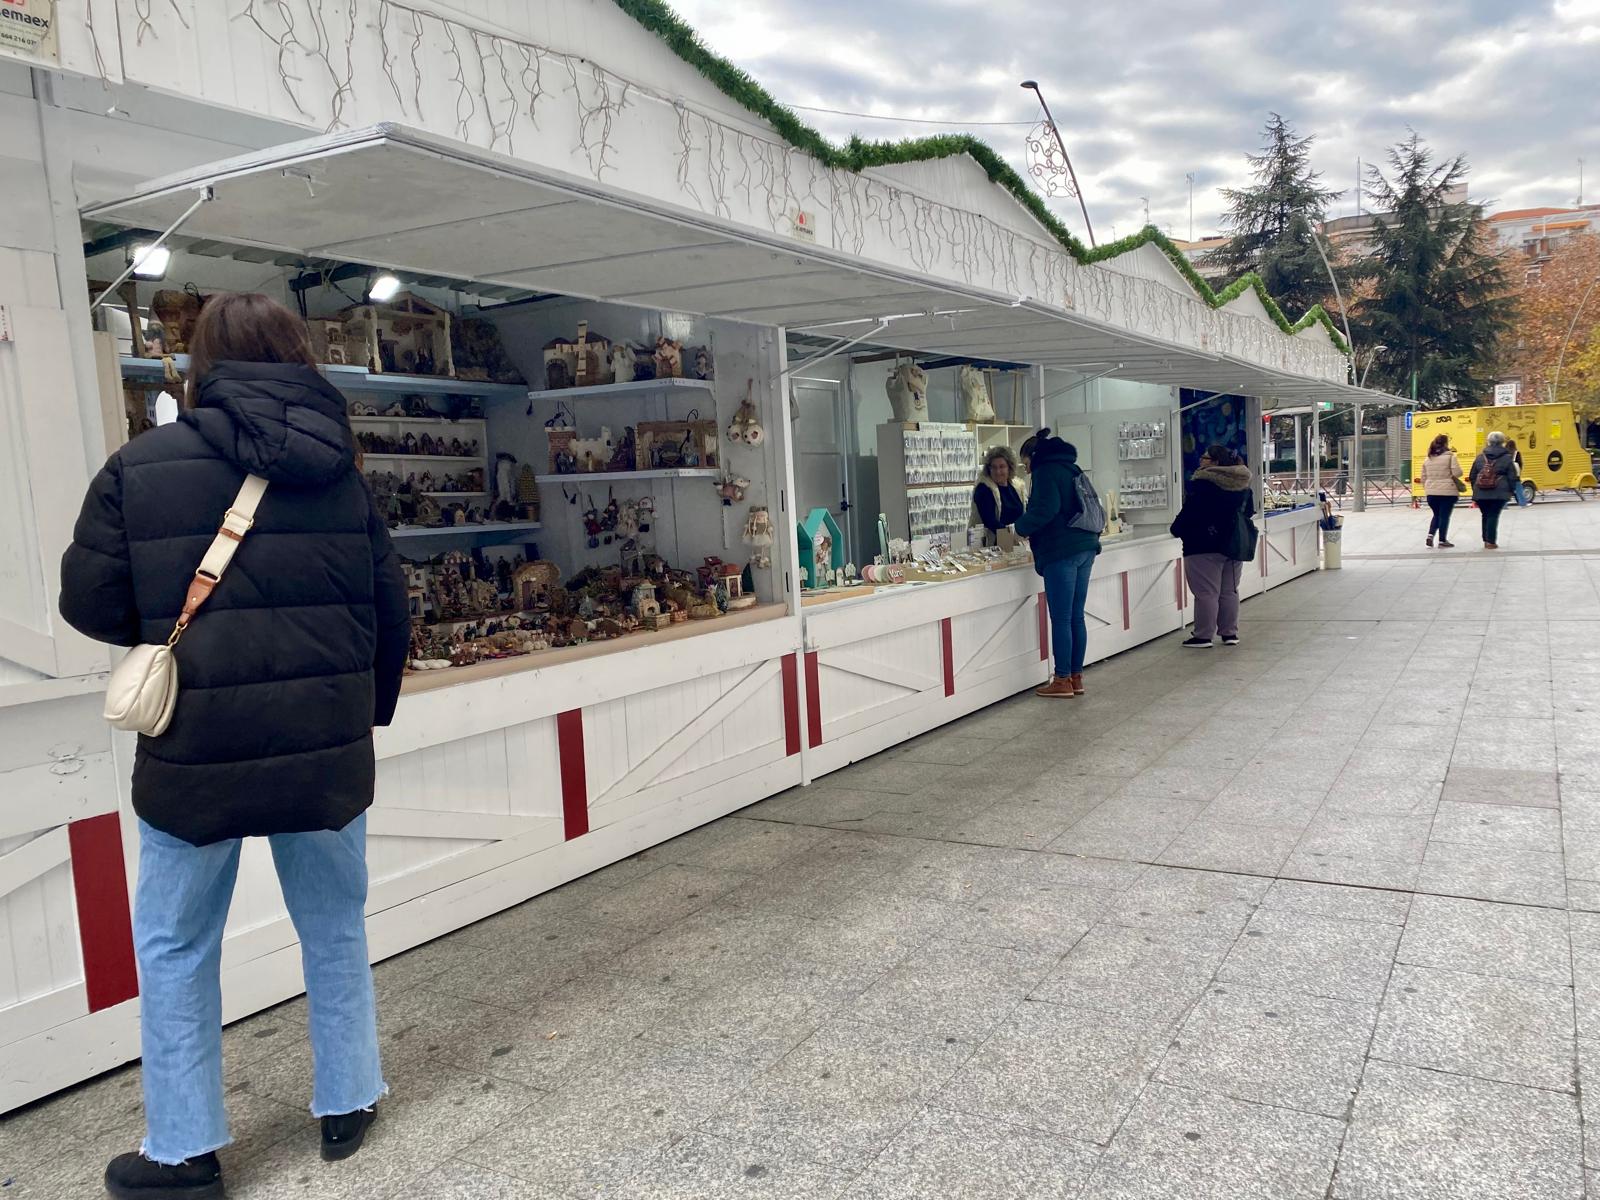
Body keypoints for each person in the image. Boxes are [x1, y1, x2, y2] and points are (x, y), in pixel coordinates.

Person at [58, 294, 410, 1199]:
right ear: (299, 356)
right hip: (324, 751)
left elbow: (88, 604)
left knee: (177, 945)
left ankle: (184, 1151)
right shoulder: (341, 476)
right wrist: (362, 714)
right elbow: (389, 610)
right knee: (333, 925)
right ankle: (347, 1101)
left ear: (199, 363)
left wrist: (162, 621)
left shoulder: (139, 468)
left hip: (194, 748)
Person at [1015, 429, 1101, 697]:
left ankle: (1062, 680)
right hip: (1086, 545)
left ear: (1034, 456)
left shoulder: (1045, 472)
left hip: (1061, 549)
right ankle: (1076, 677)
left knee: (1061, 617)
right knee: (1076, 615)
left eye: (1025, 461)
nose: (1025, 468)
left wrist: (1019, 527)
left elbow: (1045, 509)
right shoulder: (1072, 468)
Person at [1170, 444, 1255, 648]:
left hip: (1202, 546)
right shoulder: (1242, 486)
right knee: (1229, 591)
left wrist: (1177, 529)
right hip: (1234, 545)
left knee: (1206, 593)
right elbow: (1249, 512)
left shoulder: (1203, 486)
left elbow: (1189, 516)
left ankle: (1203, 636)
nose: (1201, 461)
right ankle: (1229, 633)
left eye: (1205, 458)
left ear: (1215, 463)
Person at [1469, 430, 1520, 549]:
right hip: (1499, 492)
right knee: (1493, 515)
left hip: (1480, 492)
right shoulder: (1507, 458)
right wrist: (1511, 491)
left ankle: (1486, 539)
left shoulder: (1480, 457)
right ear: (1502, 442)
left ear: (1488, 442)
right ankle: (1490, 541)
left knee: (1485, 514)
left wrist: (1476, 490)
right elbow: (1512, 477)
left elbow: (1472, 475)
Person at [970, 444, 1028, 545]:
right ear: (989, 469)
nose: (998, 471)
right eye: (994, 467)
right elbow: (990, 522)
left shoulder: (1017, 487)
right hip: (991, 545)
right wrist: (1013, 536)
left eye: (1002, 467)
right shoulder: (984, 488)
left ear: (1009, 468)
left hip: (1017, 543)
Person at [1418, 433, 1464, 548]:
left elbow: (1423, 477)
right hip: (1447, 492)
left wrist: (1428, 488)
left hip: (1431, 493)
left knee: (1436, 515)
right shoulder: (1450, 456)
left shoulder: (1427, 459)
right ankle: (1442, 540)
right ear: (1446, 444)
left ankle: (1430, 535)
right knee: (1444, 516)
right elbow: (1457, 473)